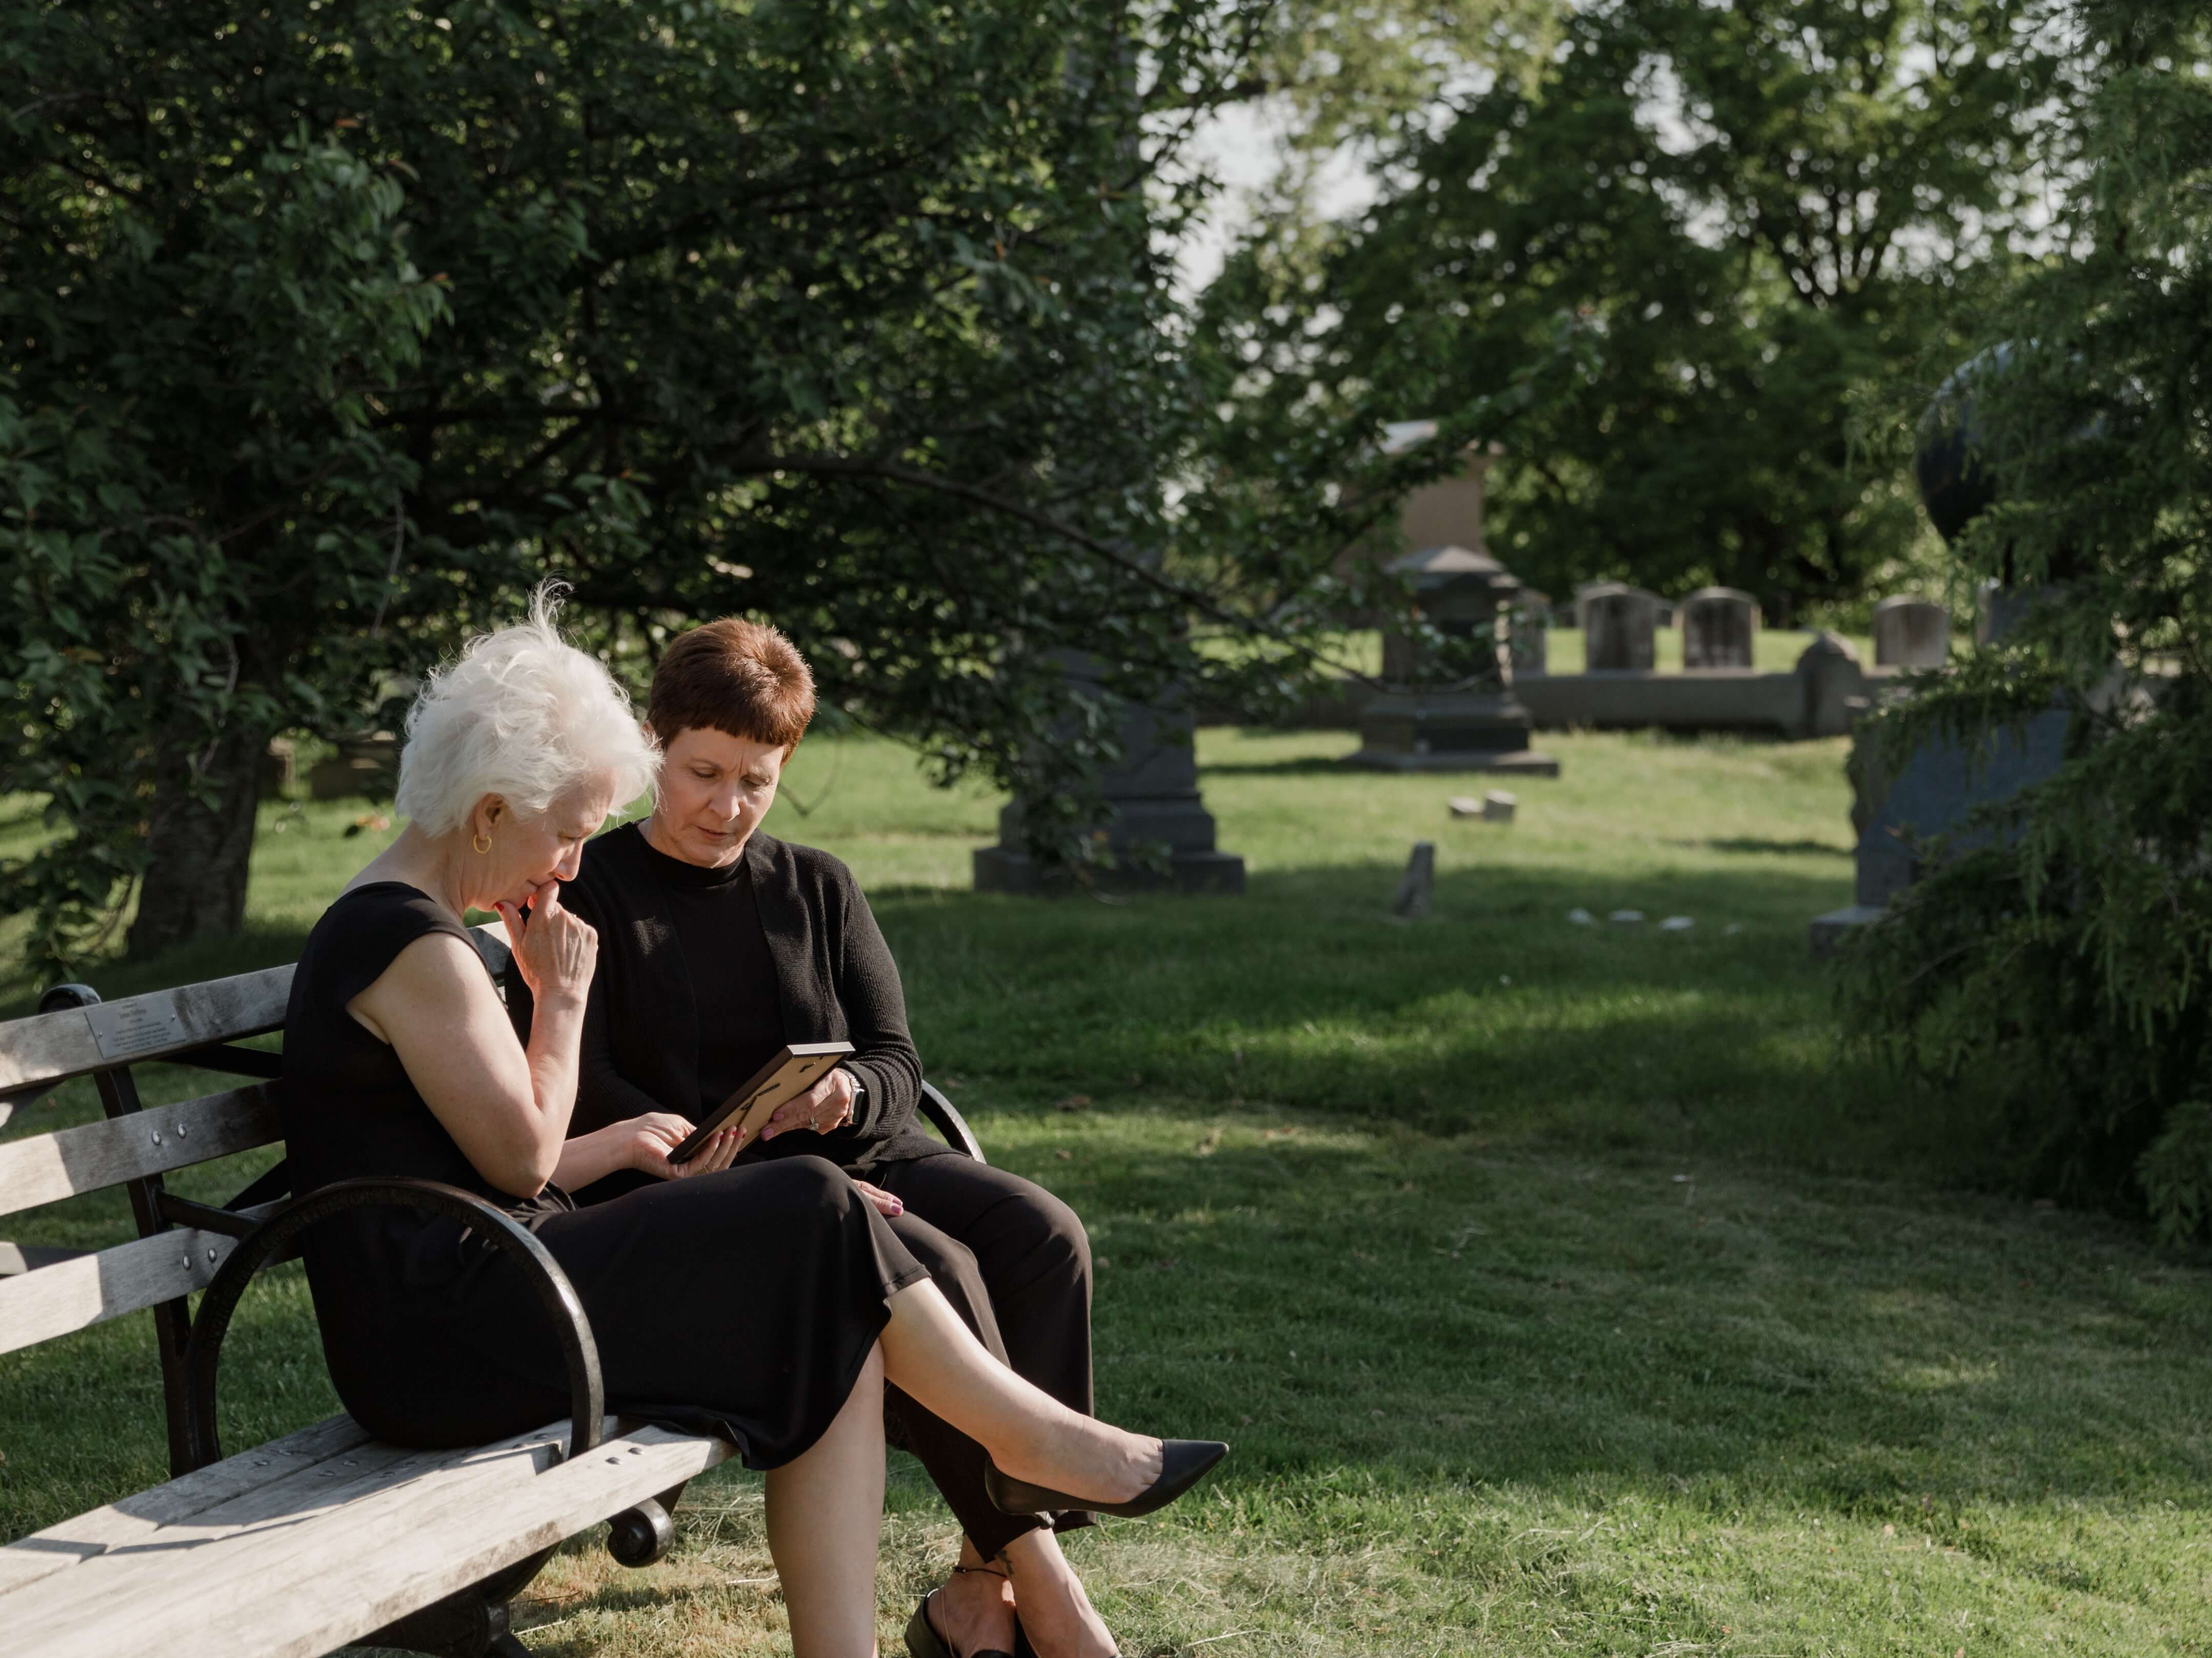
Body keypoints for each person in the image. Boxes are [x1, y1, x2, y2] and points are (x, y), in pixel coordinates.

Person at [281, 592, 1223, 1658]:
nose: (574, 865)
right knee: (815, 1209)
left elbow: (497, 1156)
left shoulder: (423, 928)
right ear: (492, 808)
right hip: (444, 1337)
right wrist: (565, 1003)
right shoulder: (413, 944)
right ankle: (1037, 1447)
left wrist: (635, 1134)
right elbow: (520, 1155)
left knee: (830, 1299)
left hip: (498, 1284)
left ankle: (917, 1591)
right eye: (569, 832)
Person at [502, 618, 1121, 1658]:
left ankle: (979, 1585)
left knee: (1041, 1233)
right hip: (697, 1197)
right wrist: (773, 1166)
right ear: (652, 745)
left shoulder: (817, 886)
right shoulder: (595, 888)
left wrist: (842, 1097)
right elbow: (596, 1082)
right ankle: (1039, 1579)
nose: (727, 804)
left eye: (758, 780)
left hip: (854, 1161)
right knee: (938, 1256)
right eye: (704, 771)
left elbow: (896, 1063)